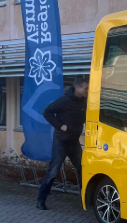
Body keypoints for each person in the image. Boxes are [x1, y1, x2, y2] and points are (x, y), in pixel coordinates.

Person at [36, 77, 89, 210]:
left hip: (74, 142)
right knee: (53, 170)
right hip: (61, 141)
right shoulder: (64, 101)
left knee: (84, 169)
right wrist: (60, 125)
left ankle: (86, 200)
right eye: (86, 88)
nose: (88, 91)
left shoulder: (84, 102)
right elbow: (46, 112)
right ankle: (41, 200)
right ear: (78, 88)